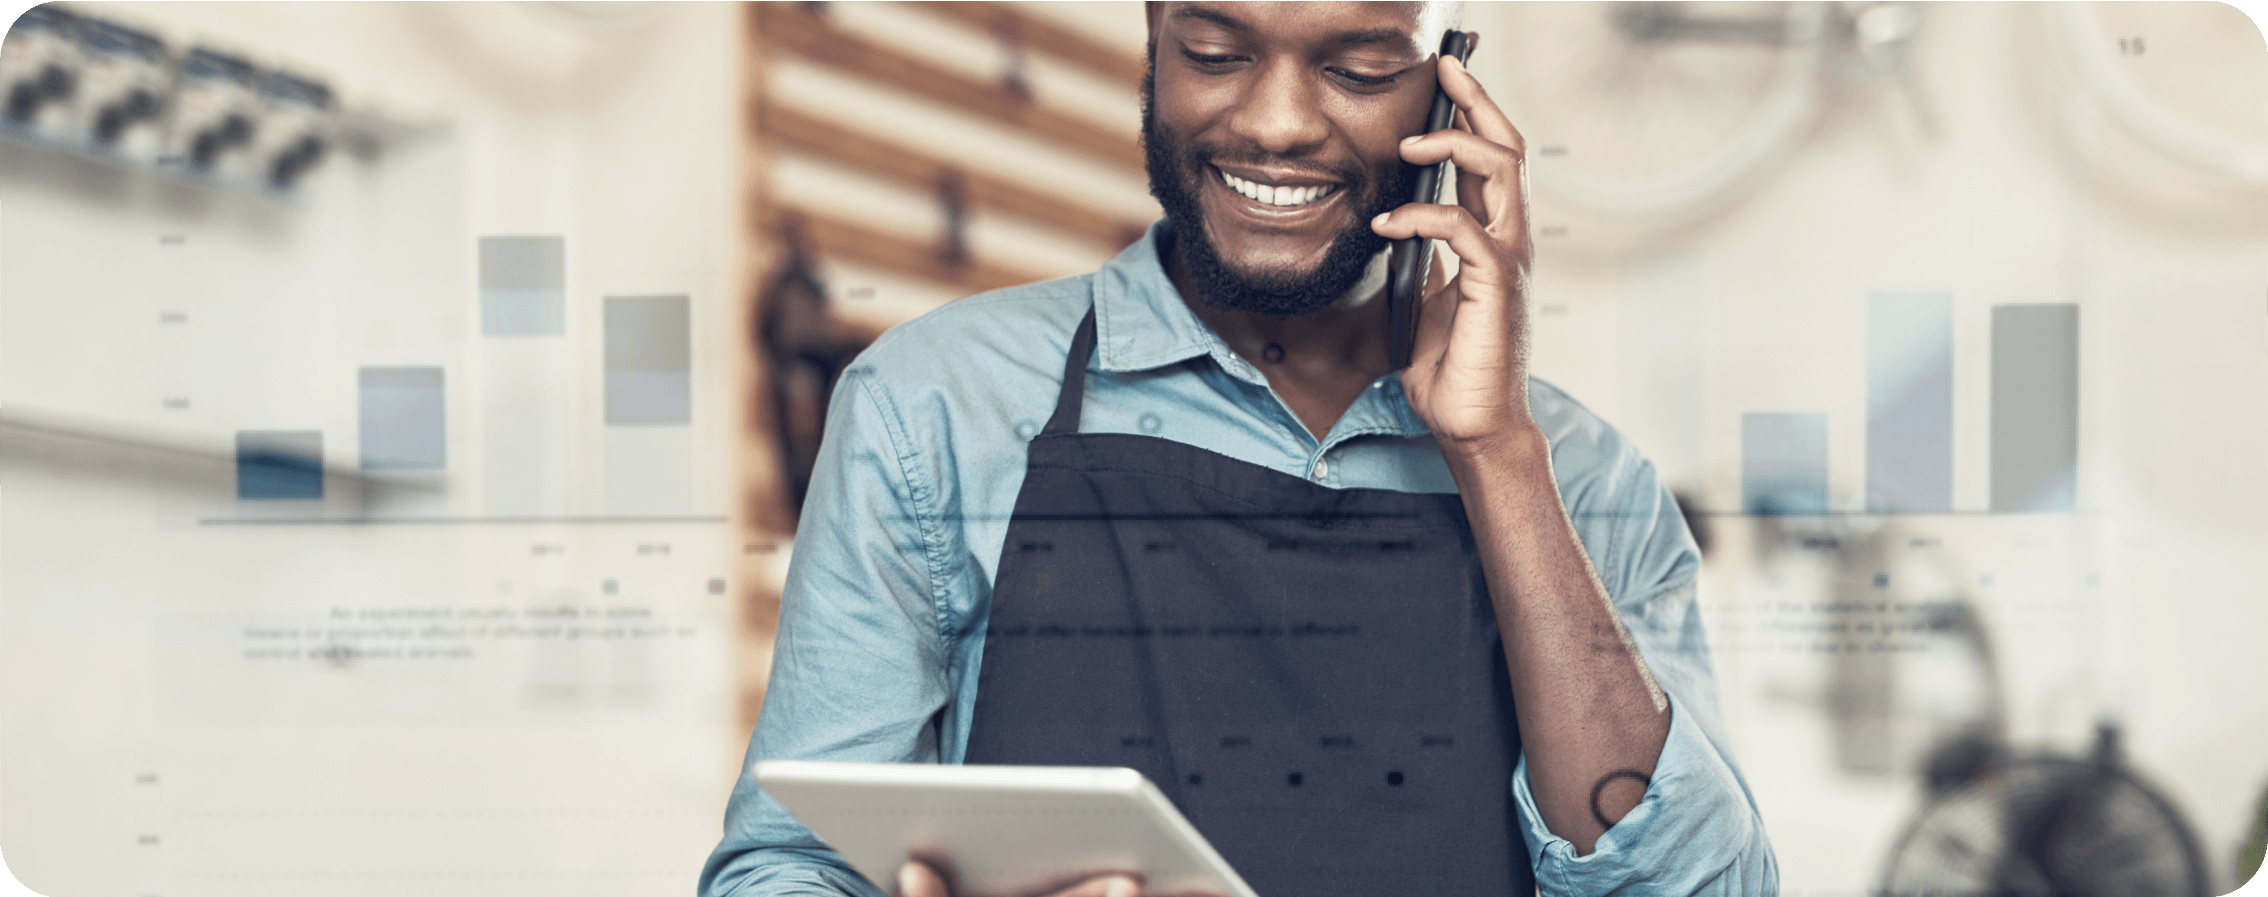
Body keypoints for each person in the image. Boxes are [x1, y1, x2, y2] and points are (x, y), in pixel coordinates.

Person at [701, 2, 1777, 895]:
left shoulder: (1588, 484)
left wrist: (1497, 454)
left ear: (1452, 83)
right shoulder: (935, 406)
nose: (1273, 122)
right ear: (1153, 44)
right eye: (1213, 54)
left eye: (1357, 68)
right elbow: (791, 864)